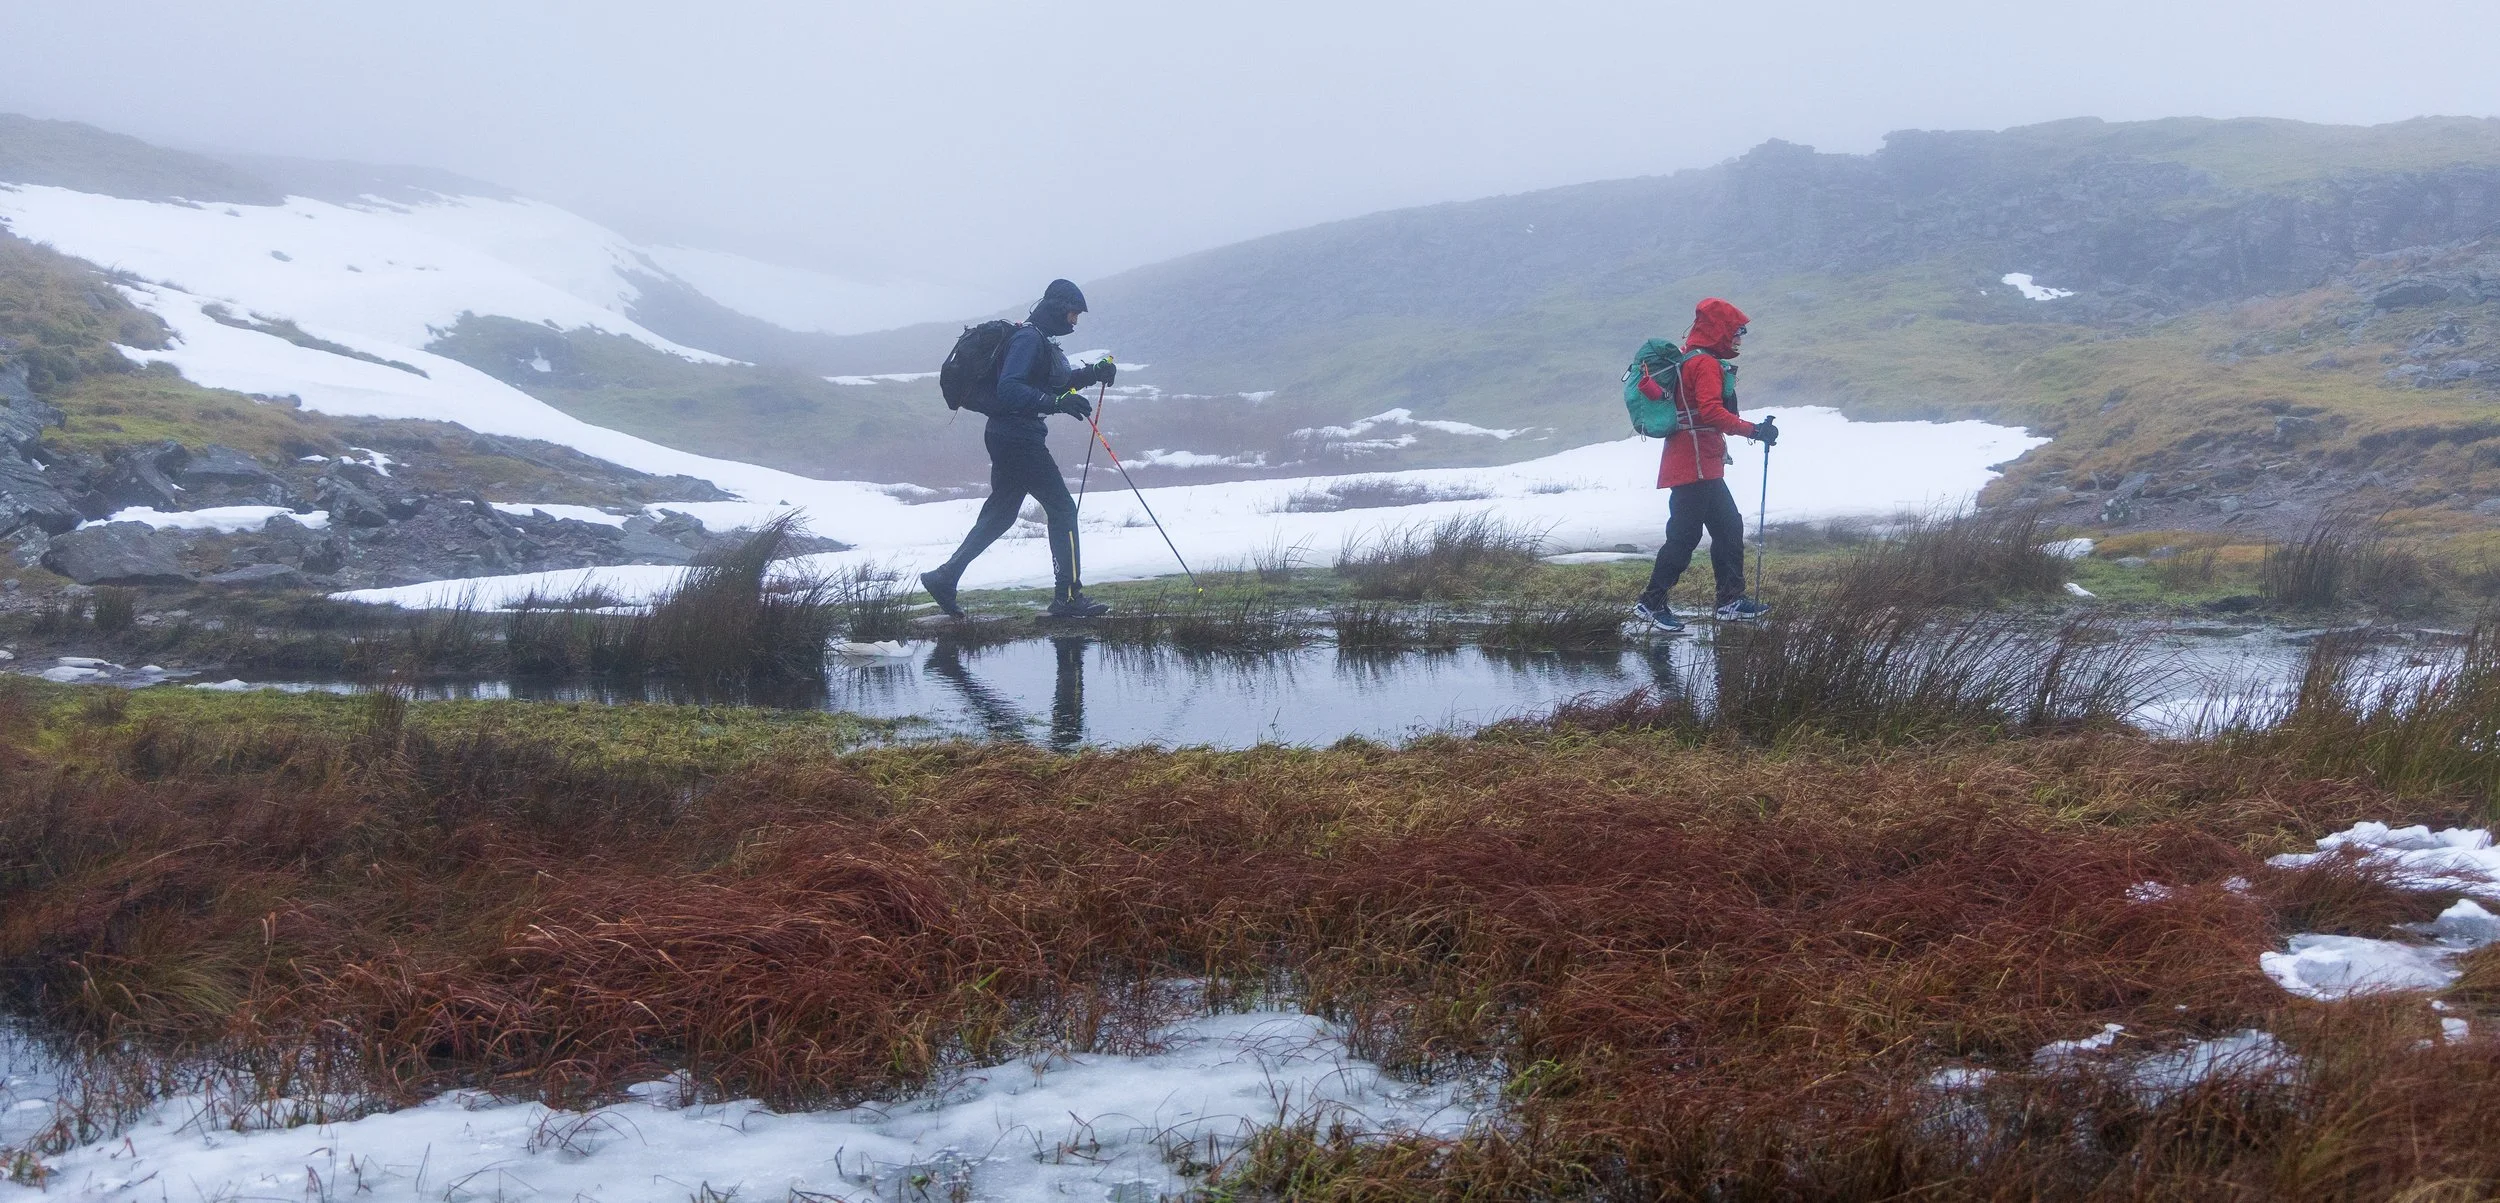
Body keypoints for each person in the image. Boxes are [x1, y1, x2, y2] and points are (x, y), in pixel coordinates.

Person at [920, 279, 1118, 619]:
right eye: (1072, 314)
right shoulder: (1028, 339)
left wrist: (1093, 373)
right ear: (1058, 310)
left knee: (1001, 514)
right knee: (1062, 509)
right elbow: (1010, 389)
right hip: (1016, 437)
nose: (1074, 321)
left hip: (1011, 435)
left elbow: (1051, 383)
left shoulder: (1039, 339)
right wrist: (1056, 403)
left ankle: (944, 577)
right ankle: (1068, 599)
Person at [1633, 297, 1779, 633]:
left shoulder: (1693, 359)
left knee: (1728, 527)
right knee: (1684, 535)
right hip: (1694, 462)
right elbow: (1712, 412)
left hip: (1698, 461)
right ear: (1720, 330)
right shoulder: (1706, 365)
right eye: (1736, 330)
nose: (1740, 337)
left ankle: (1729, 601)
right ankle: (1651, 601)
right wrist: (1755, 431)